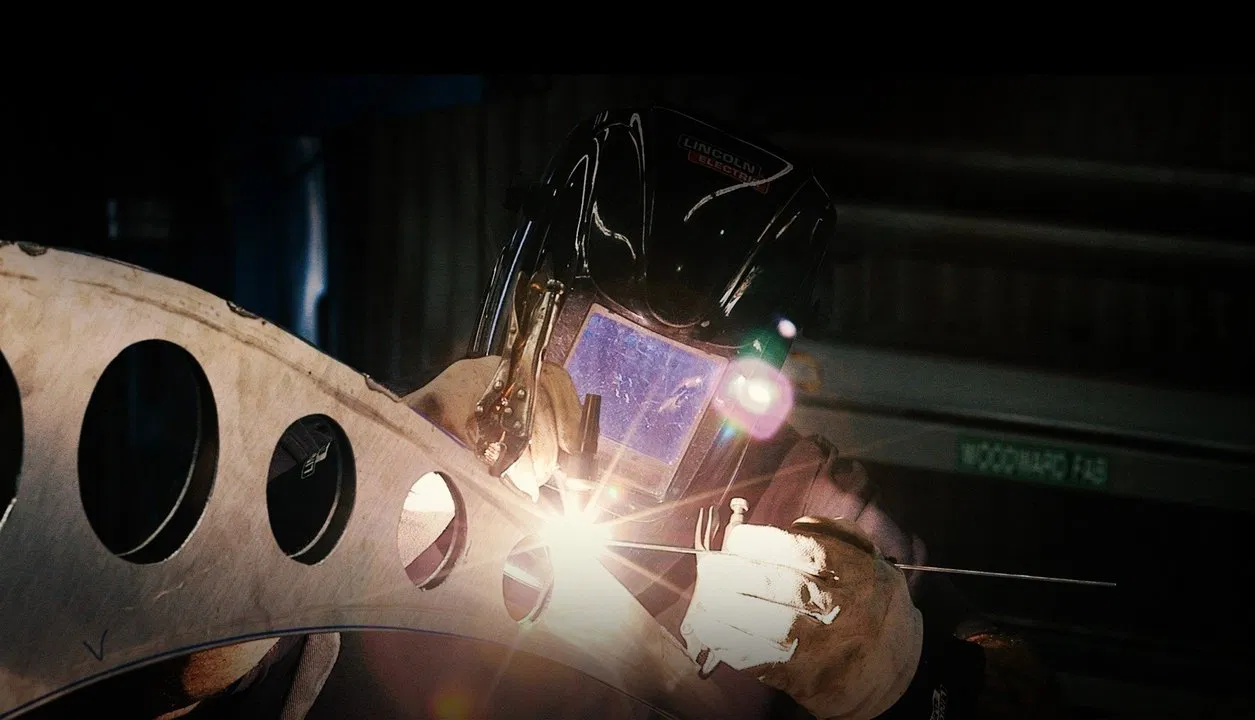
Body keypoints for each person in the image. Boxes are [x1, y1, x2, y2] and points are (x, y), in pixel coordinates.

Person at [57, 106, 1063, 719]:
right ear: (526, 315)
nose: (631, 414)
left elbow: (1022, 688)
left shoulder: (803, 507)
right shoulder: (384, 455)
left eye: (685, 379)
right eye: (604, 350)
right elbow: (124, 684)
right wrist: (285, 558)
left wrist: (902, 677)